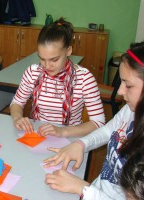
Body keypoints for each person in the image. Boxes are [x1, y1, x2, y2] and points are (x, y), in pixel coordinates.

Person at [44, 41, 144, 199]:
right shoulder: (131, 110)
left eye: (128, 85)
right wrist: (81, 144)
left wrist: (83, 189)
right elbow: (108, 130)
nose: (119, 91)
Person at [10, 17, 105, 137]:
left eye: (54, 59)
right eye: (42, 59)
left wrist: (62, 131)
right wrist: (17, 118)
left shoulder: (84, 78)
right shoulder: (33, 73)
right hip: (38, 136)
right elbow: (17, 102)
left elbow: (98, 122)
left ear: (68, 50)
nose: (47, 66)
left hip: (70, 138)